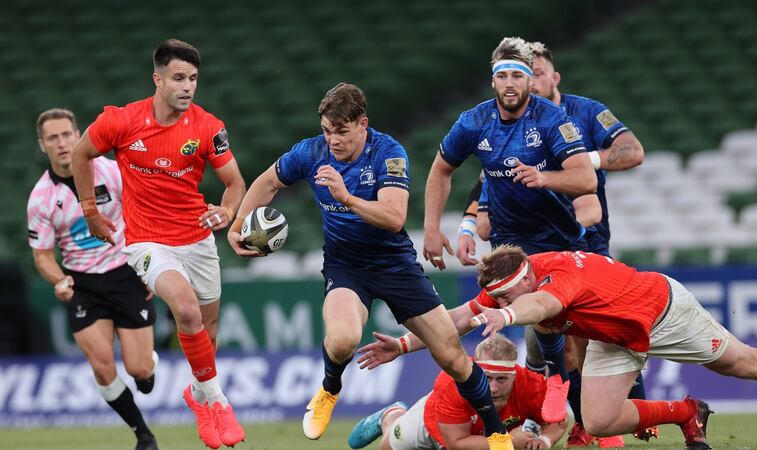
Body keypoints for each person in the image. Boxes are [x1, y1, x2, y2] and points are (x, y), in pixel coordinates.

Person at [227, 82, 515, 450]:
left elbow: (394, 217)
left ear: (363, 124)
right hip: (346, 265)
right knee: (343, 338)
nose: (333, 140)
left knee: (453, 358)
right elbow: (268, 181)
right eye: (327, 131)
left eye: (342, 131)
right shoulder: (311, 152)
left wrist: (345, 197)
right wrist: (239, 226)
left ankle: (496, 432)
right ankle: (330, 389)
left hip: (395, 265)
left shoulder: (388, 153)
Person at [454, 41, 648, 447]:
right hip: (537, 250)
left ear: (551, 77)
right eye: (510, 75)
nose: (524, 82)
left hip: (586, 245)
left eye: (533, 74)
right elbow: (489, 179)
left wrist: (576, 162)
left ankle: (632, 415)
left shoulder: (582, 113)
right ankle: (570, 420)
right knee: (546, 339)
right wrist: (470, 226)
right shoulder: (505, 126)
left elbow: (631, 153)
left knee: (607, 335)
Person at [70, 40, 247, 449]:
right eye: (179, 78)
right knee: (185, 310)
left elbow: (235, 183)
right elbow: (82, 155)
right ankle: (219, 403)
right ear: (158, 78)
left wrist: (226, 210)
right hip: (147, 241)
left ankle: (199, 398)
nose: (188, 87)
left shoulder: (208, 127)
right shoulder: (122, 121)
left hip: (197, 237)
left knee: (207, 328)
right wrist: (91, 212)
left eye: (194, 79)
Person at [422, 35, 596, 433]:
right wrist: (433, 228)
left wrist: (544, 178)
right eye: (504, 76)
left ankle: (581, 409)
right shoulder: (473, 121)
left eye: (519, 75)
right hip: (511, 246)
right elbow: (440, 170)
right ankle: (559, 388)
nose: (511, 83)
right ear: (494, 82)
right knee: (543, 321)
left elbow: (586, 178)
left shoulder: (553, 120)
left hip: (562, 241)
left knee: (580, 334)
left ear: (530, 82)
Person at [469, 244, 757, 449]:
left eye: (503, 300)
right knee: (599, 420)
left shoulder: (555, 276)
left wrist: (507, 315)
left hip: (659, 311)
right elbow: (461, 316)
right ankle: (687, 413)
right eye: (496, 301)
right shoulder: (509, 283)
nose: (496, 304)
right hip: (614, 334)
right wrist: (416, 336)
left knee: (741, 364)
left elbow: (540, 306)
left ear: (523, 281)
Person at [27, 108, 158, 450]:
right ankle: (143, 434)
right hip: (83, 283)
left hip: (126, 273)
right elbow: (42, 255)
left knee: (140, 371)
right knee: (102, 367)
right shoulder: (41, 198)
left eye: (67, 134)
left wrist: (149, 263)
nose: (62, 143)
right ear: (43, 145)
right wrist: (59, 279)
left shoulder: (109, 171)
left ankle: (148, 370)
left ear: (78, 134)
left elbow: (142, 208)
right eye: (52, 138)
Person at [348, 334, 567, 450]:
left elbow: (559, 420)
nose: (493, 388)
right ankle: (390, 416)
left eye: (502, 379)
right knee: (387, 447)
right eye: (486, 379)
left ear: (514, 375)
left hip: (485, 438)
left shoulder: (531, 384)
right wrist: (510, 440)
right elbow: (457, 443)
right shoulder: (452, 384)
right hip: (433, 425)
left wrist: (546, 440)